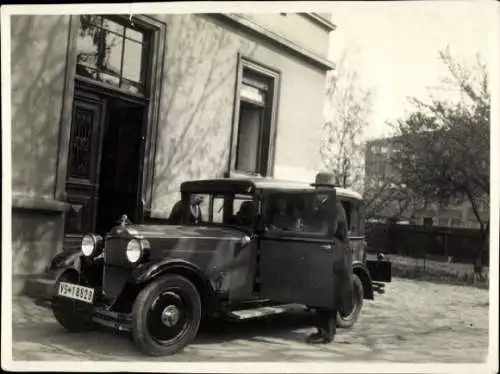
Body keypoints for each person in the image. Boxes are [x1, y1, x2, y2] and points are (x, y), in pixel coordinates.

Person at [306, 200, 353, 344]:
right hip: (329, 250)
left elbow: (329, 229)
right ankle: (323, 331)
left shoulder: (334, 207)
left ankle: (326, 334)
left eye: (322, 188)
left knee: (328, 295)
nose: (319, 192)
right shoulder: (326, 205)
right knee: (323, 294)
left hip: (334, 252)